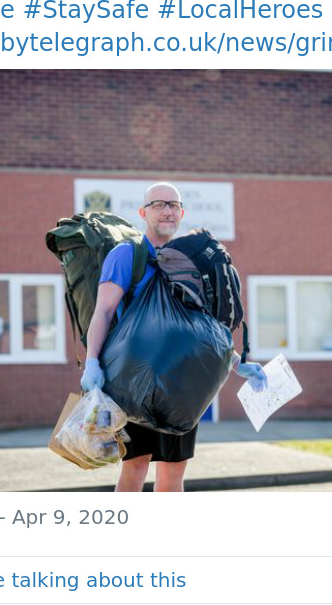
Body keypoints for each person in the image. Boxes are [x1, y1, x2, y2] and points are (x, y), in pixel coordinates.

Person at [81, 181, 267, 492]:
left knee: (173, 472)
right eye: (158, 204)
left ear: (182, 213)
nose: (167, 210)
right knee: (135, 467)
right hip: (134, 382)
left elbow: (200, 331)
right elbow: (103, 311)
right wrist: (91, 363)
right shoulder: (127, 255)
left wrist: (237, 363)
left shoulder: (190, 261)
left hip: (182, 385)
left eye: (173, 205)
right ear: (143, 212)